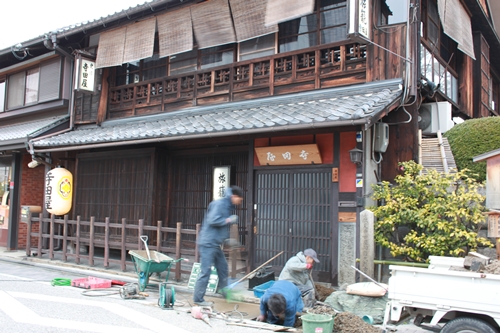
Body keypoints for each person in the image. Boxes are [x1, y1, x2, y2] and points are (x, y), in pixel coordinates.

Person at [193, 185, 243, 306]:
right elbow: (212, 220)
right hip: (208, 243)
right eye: (239, 199)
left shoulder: (226, 206)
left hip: (214, 243)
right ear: (234, 196)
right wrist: (229, 220)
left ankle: (224, 292)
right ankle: (198, 299)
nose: (239, 202)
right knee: (206, 271)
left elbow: (218, 229)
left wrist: (227, 241)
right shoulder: (220, 204)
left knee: (223, 267)